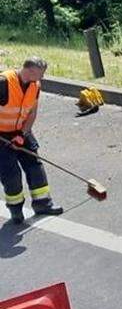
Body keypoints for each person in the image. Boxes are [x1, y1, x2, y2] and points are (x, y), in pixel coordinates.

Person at [1, 56, 62, 225]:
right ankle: (16, 211)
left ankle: (43, 203)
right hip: (1, 135)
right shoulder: (4, 82)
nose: (42, 77)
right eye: (41, 74)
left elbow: (32, 112)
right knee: (11, 174)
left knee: (34, 165)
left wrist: (22, 133)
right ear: (30, 71)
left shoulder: (35, 85)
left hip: (21, 130)